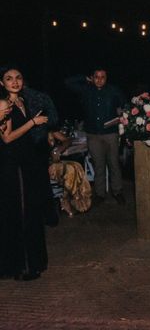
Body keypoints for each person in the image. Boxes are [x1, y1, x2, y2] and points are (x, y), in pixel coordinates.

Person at [0, 66, 51, 280]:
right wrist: (32, 123)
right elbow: (7, 138)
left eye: (18, 77)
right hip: (13, 165)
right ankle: (21, 266)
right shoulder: (3, 104)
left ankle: (33, 262)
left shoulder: (21, 101)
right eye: (9, 78)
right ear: (2, 83)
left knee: (31, 211)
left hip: (28, 162)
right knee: (20, 212)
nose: (14, 81)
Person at [65, 67, 126, 205]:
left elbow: (124, 106)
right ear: (92, 77)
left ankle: (117, 191)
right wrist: (83, 78)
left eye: (102, 77)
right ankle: (100, 194)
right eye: (96, 77)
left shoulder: (114, 90)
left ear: (106, 78)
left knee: (114, 164)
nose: (99, 79)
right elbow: (68, 82)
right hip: (93, 134)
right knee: (98, 165)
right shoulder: (86, 90)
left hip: (111, 133)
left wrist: (121, 116)